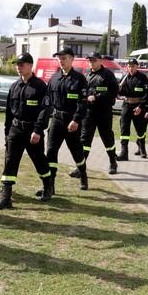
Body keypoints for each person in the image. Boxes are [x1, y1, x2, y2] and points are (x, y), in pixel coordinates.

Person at [0, 53, 52, 209]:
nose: (18, 67)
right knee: (10, 161)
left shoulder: (40, 86)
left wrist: (38, 130)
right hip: (16, 130)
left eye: (22, 64)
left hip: (33, 130)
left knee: (39, 160)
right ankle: (6, 197)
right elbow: (9, 112)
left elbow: (45, 110)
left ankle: (48, 187)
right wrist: (7, 132)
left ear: (30, 66)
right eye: (17, 65)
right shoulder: (15, 86)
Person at [44, 47, 88, 189]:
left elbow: (83, 102)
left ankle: (83, 175)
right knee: (51, 151)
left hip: (72, 121)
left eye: (64, 58)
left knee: (77, 152)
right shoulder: (54, 78)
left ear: (72, 59)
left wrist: (76, 120)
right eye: (59, 58)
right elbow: (48, 101)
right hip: (56, 120)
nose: (61, 61)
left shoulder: (79, 79)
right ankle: (50, 185)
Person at [77, 51, 119, 175]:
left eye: (94, 60)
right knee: (85, 139)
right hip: (89, 112)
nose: (91, 62)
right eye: (90, 60)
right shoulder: (86, 74)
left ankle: (113, 162)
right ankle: (81, 168)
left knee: (107, 138)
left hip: (104, 112)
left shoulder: (108, 75)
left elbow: (114, 92)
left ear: (100, 61)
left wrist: (97, 97)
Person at [117, 58, 148, 160]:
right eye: (129, 66)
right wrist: (119, 89)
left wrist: (140, 106)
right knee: (124, 128)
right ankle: (124, 152)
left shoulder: (142, 78)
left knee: (140, 130)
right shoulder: (125, 77)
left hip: (138, 106)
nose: (131, 68)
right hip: (127, 105)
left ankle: (142, 149)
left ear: (137, 66)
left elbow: (147, 94)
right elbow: (121, 93)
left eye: (133, 66)